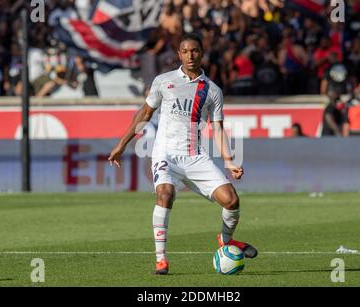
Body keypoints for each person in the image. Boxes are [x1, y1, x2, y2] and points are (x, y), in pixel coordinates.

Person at [108, 33, 258, 275]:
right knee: (165, 195)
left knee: (231, 200)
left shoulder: (212, 90)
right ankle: (161, 259)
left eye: (195, 51)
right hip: (165, 153)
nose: (190, 55)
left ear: (201, 53)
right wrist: (123, 143)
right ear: (179, 54)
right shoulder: (163, 81)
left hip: (195, 156)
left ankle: (226, 240)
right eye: (185, 51)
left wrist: (229, 161)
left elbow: (217, 128)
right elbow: (145, 113)